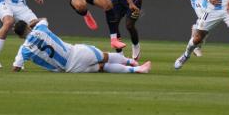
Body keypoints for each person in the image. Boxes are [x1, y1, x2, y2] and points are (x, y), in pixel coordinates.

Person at [11, 18, 151, 73]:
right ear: (28, 27)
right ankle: (133, 62)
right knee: (105, 56)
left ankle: (136, 70)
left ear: (19, 36)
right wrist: (31, 24)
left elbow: (16, 67)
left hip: (70, 69)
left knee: (102, 67)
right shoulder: (40, 29)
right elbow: (43, 19)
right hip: (76, 53)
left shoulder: (23, 50)